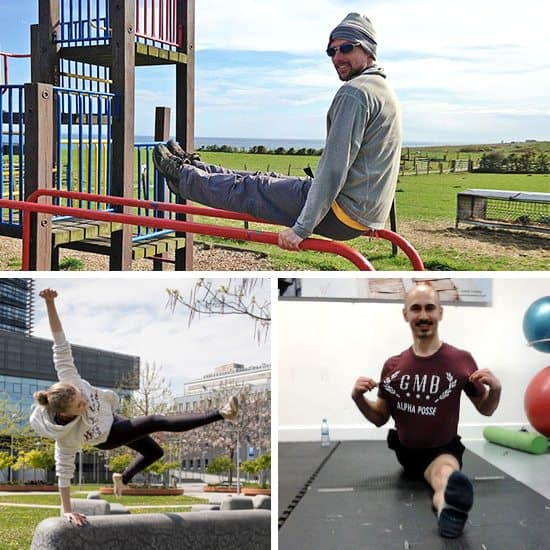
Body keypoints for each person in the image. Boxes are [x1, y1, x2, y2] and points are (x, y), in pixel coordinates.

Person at [153, 12, 402, 251]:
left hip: (342, 212)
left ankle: (182, 177)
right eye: (331, 51)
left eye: (346, 48)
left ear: (368, 49)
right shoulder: (383, 90)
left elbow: (334, 169)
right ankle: (191, 167)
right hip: (361, 211)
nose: (337, 57)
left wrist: (301, 229)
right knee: (261, 179)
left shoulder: (356, 93)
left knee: (253, 189)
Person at [30, 289, 239, 527]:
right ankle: (222, 412)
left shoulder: (69, 378)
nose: (85, 401)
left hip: (114, 418)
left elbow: (59, 342)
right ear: (66, 413)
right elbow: (64, 472)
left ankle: (123, 478)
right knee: (154, 420)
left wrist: (49, 303)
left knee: (155, 453)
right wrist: (66, 510)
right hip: (107, 436)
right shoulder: (65, 437)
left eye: (82, 396)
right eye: (80, 405)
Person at [351, 283, 501, 538]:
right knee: (437, 473)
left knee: (444, 475)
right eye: (416, 308)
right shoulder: (393, 366)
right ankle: (446, 502)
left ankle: (447, 509)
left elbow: (485, 409)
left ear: (440, 313)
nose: (423, 315)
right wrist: (358, 398)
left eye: (430, 308)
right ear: (406, 314)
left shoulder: (461, 361)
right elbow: (380, 417)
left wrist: (495, 390)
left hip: (444, 449)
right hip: (407, 452)